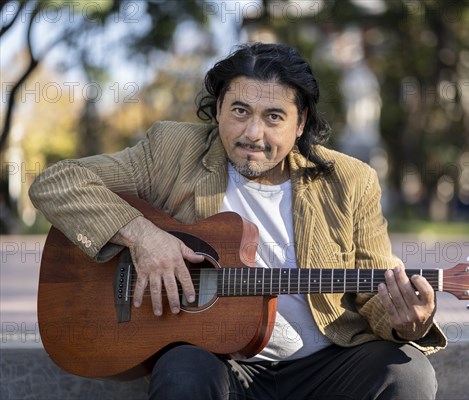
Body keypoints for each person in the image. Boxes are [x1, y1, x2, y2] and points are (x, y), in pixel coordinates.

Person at [29, 42, 447, 399]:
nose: (252, 133)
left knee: (407, 371)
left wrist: (404, 320)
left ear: (300, 124)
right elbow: (57, 182)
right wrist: (143, 237)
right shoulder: (172, 150)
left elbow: (373, 292)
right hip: (220, 364)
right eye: (240, 111)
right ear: (217, 111)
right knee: (183, 372)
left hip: (326, 364)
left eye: (274, 117)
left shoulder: (351, 180)